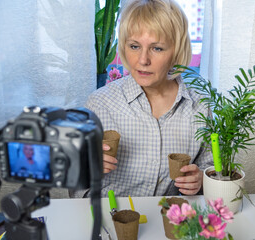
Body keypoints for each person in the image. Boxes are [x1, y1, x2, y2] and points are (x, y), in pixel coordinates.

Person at [77, 0, 213, 198]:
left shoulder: (199, 106)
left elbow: (212, 168)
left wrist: (202, 179)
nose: (143, 60)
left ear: (177, 51)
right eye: (134, 46)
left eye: (157, 48)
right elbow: (77, 189)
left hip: (169, 220)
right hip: (109, 218)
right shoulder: (99, 104)